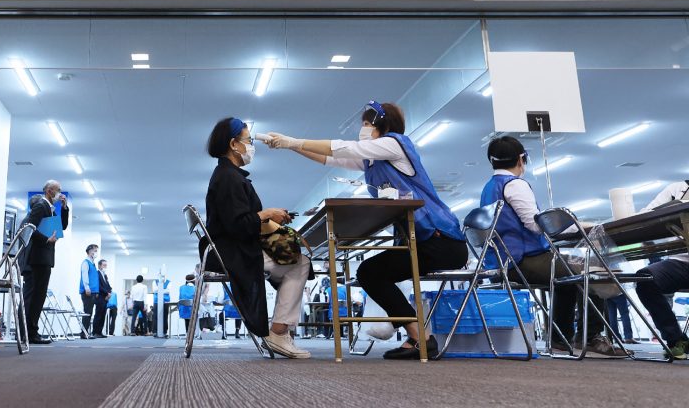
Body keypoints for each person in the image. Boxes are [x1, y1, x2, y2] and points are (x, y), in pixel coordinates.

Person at [265, 101, 467, 360]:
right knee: (371, 273)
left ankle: (421, 338)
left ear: (383, 124)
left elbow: (343, 147)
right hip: (421, 241)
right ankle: (420, 338)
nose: (362, 129)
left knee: (371, 272)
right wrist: (292, 147)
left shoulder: (394, 144)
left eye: (367, 124)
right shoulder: (372, 160)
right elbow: (331, 158)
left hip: (441, 239)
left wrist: (294, 140)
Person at [481, 136, 623, 357]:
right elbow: (535, 224)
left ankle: (560, 337)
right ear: (521, 159)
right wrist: (573, 226)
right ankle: (591, 336)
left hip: (502, 262)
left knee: (566, 278)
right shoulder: (515, 184)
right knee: (592, 272)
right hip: (522, 260)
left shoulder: (489, 188)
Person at [205, 117, 312, 359]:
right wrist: (265, 214)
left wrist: (266, 217)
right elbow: (238, 225)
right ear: (234, 144)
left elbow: (239, 220)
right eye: (248, 140)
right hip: (233, 252)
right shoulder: (228, 178)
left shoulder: (228, 175)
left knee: (296, 261)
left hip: (229, 248)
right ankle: (278, 332)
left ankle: (280, 331)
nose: (251, 145)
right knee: (300, 263)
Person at [635, 179, 689, 359]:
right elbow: (645, 215)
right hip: (681, 261)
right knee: (645, 279)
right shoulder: (677, 189)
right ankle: (675, 339)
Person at [19, 180, 70, 344]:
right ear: (49, 190)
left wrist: (64, 208)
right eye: (58, 190)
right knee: (33, 297)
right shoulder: (41, 205)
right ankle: (28, 332)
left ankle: (31, 331)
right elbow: (29, 227)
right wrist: (46, 239)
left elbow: (62, 226)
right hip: (36, 259)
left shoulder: (50, 208)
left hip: (44, 258)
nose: (60, 192)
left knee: (38, 297)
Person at [78, 244, 100, 339]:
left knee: (90, 312)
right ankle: (84, 333)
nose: (96, 253)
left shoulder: (93, 264)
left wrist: (97, 291)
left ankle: (86, 332)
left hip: (93, 292)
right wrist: (87, 287)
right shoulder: (86, 263)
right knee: (87, 312)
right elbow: (85, 275)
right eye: (95, 250)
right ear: (90, 251)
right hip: (88, 291)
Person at [96, 259, 113, 337]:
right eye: (104, 265)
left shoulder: (105, 275)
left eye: (106, 265)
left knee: (103, 315)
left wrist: (109, 293)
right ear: (99, 265)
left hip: (106, 298)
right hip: (100, 297)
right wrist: (107, 293)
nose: (105, 267)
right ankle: (95, 332)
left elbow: (108, 286)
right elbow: (99, 286)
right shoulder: (97, 274)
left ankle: (100, 332)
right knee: (98, 314)